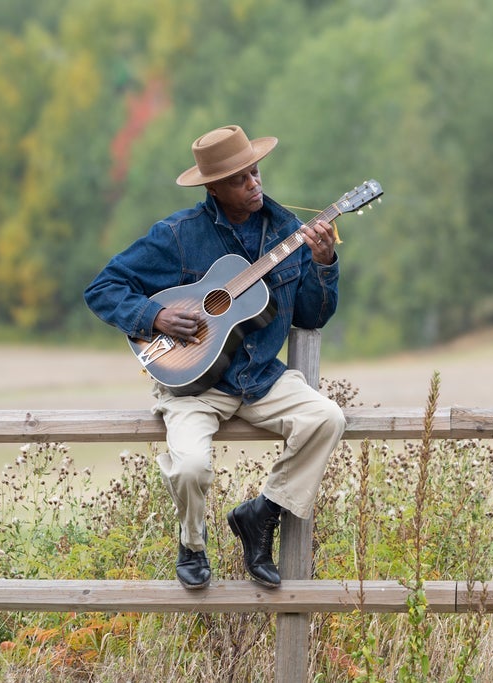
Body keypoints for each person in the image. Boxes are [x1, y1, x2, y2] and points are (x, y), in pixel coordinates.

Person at [84, 124, 346, 590]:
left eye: (256, 172)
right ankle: (193, 543)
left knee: (327, 418)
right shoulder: (179, 235)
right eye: (241, 178)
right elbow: (102, 288)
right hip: (194, 384)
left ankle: (260, 515)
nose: (254, 184)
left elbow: (313, 314)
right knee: (189, 467)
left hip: (262, 378)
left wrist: (324, 264)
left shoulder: (287, 231)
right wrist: (154, 316)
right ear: (213, 188)